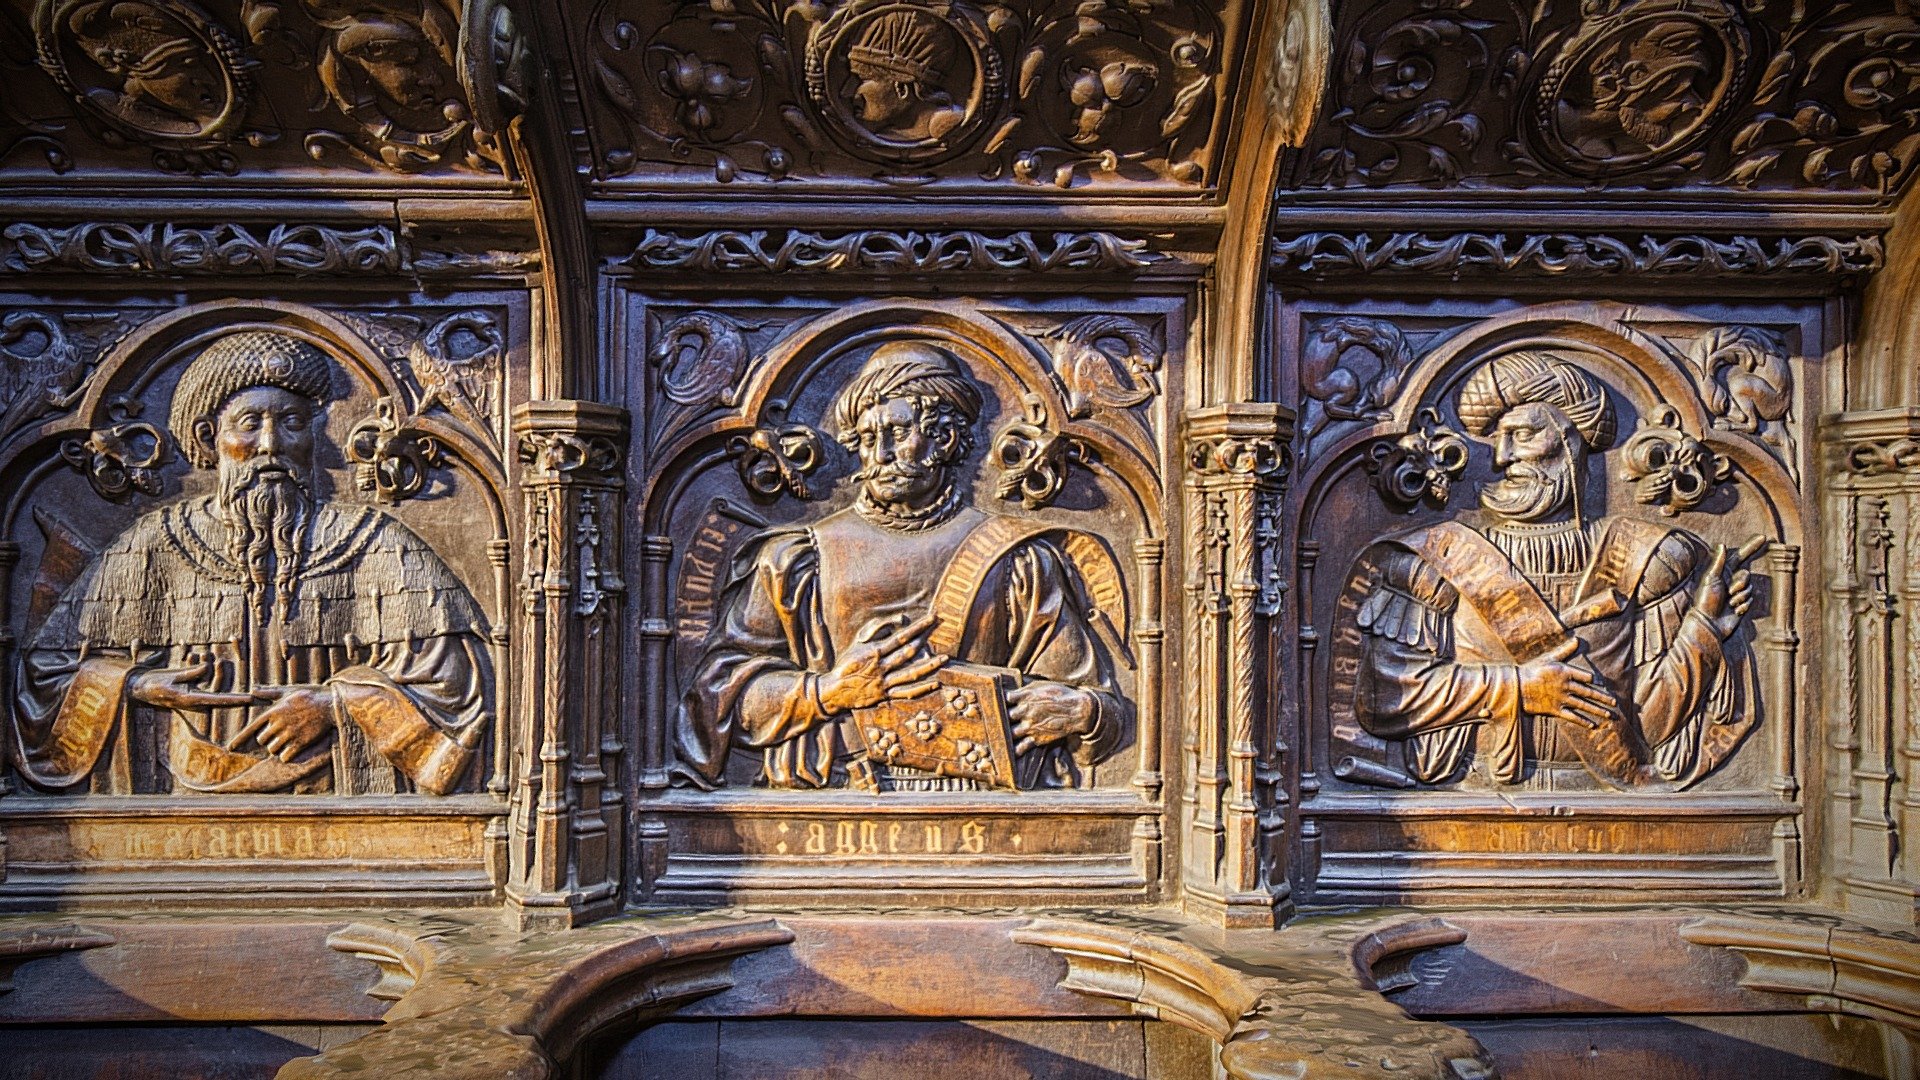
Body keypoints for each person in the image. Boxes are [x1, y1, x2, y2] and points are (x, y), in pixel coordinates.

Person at [13, 330, 491, 795]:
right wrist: (136, 685)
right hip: (173, 826)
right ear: (209, 435)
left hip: (343, 816)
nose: (270, 444)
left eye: (292, 423)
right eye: (249, 422)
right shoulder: (153, 545)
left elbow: (456, 689)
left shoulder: (376, 544)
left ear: (314, 434)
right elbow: (45, 678)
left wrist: (334, 704)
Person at [673, 341, 1128, 791]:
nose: (880, 454)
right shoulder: (792, 559)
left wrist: (1083, 712)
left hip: (981, 806)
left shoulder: (1018, 562)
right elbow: (716, 701)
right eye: (869, 438)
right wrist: (828, 691)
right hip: (829, 805)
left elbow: (1100, 706)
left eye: (896, 433)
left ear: (945, 439)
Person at [1331, 351, 1758, 790]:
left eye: (1522, 434)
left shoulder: (1644, 558)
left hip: (1618, 816)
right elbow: (1384, 700)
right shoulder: (1434, 559)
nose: (1501, 457)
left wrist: (1703, 631)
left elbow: (1648, 727)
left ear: (1571, 441)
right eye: (1498, 438)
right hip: (1472, 806)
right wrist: (1517, 686)